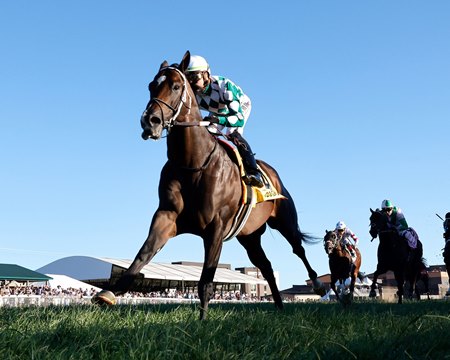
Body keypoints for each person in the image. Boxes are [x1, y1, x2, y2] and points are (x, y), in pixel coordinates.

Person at [184, 54, 264, 188]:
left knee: (233, 134)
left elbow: (237, 119)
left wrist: (217, 119)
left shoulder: (224, 86)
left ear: (205, 75)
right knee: (206, 135)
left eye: (194, 77)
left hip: (238, 108)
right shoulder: (194, 93)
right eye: (188, 78)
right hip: (219, 111)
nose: (191, 82)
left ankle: (254, 172)